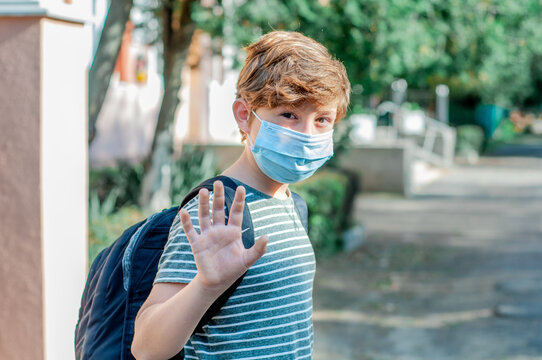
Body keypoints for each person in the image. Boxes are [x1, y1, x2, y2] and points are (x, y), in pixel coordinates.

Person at [131, 30, 350, 360]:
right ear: (245, 116)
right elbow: (146, 347)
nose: (308, 134)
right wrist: (206, 285)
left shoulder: (292, 203)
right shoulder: (218, 208)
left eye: (322, 119)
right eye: (289, 114)